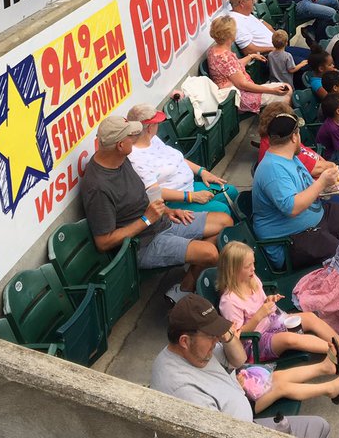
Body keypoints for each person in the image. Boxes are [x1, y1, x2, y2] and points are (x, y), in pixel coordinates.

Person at [80, 114, 232, 305]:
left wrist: (168, 211)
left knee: (225, 222)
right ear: (119, 145)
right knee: (210, 253)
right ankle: (189, 288)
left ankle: (188, 282)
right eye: (131, 136)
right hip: (143, 243)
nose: (136, 139)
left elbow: (143, 195)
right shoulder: (97, 187)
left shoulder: (121, 159)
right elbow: (103, 242)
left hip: (161, 221)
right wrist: (146, 219)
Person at [149, 295, 339, 438]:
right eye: (211, 336)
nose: (217, 340)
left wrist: (228, 337)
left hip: (247, 421)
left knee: (320, 426)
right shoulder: (184, 392)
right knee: (318, 431)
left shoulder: (195, 350)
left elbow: (239, 360)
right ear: (184, 341)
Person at [216, 240, 339, 366]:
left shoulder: (251, 279)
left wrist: (269, 301)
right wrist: (259, 316)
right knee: (289, 339)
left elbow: (261, 302)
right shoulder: (229, 301)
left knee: (310, 318)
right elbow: (235, 337)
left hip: (272, 321)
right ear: (233, 270)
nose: (253, 269)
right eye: (247, 266)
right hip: (255, 341)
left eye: (253, 264)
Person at [252, 110, 339, 268]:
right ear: (294, 137)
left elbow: (307, 187)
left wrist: (330, 185)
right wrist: (321, 183)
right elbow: (292, 208)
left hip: (315, 219)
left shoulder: (290, 158)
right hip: (292, 240)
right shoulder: (273, 169)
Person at [256, 104, 339, 220]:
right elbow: (291, 207)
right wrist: (324, 180)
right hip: (314, 200)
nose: (298, 134)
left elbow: (312, 158)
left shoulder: (288, 145)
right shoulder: (279, 152)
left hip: (318, 194)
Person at [125, 103, 240, 217]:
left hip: (190, 186)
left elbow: (176, 159)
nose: (158, 125)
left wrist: (201, 171)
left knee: (231, 191)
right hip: (176, 200)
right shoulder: (136, 157)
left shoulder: (153, 139)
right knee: (222, 210)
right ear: (150, 128)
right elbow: (154, 191)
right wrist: (191, 196)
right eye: (156, 123)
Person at [207, 15, 291, 113]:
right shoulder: (225, 58)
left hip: (234, 94)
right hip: (241, 97)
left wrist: (251, 56)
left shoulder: (213, 51)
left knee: (286, 89)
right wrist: (272, 90)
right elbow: (243, 84)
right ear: (230, 35)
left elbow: (233, 68)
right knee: (286, 95)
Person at [227, 0, 308, 62]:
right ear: (241, 3)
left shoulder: (246, 14)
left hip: (279, 49)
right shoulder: (236, 22)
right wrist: (273, 48)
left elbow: (267, 26)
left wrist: (279, 38)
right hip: (271, 57)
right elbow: (249, 50)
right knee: (310, 63)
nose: (254, 1)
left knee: (312, 55)